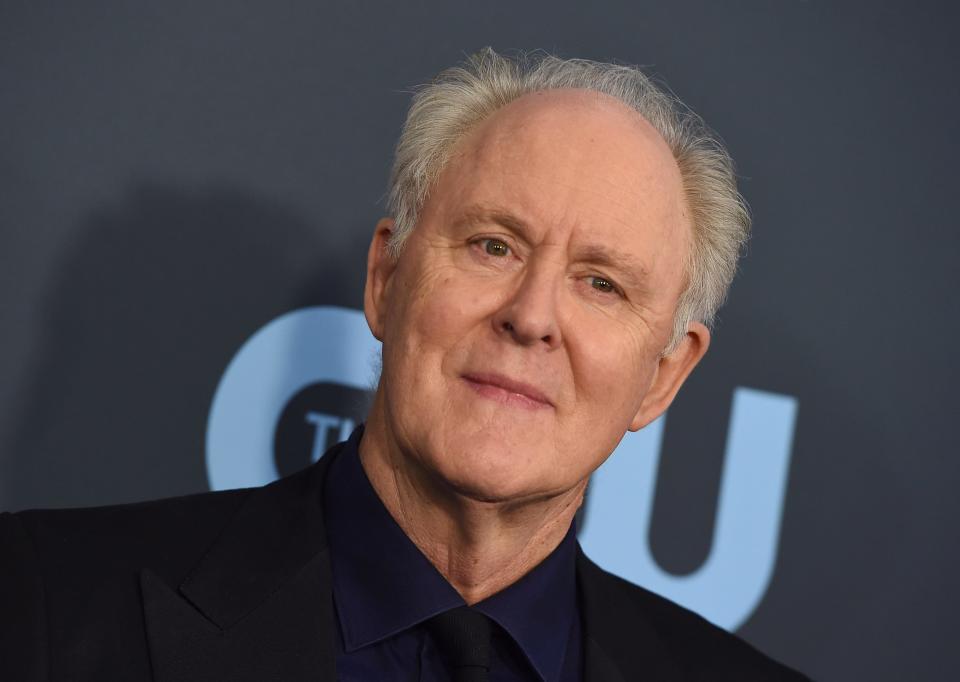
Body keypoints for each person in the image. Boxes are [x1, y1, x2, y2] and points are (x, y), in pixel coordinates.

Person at [0, 48, 809, 681]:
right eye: (494, 246)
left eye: (601, 284)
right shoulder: (45, 603)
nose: (531, 317)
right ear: (386, 280)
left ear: (664, 376)